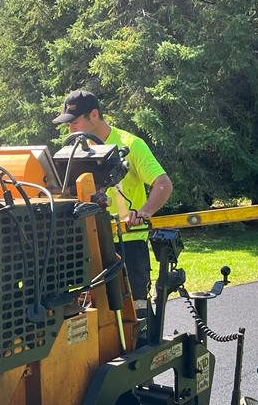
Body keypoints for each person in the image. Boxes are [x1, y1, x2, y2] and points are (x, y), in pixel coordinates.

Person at [53, 89, 173, 322]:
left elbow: (163, 183)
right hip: (92, 244)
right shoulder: (73, 152)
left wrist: (145, 211)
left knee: (135, 310)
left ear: (94, 115)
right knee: (94, 312)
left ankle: (142, 344)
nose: (70, 130)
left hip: (129, 242)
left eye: (75, 123)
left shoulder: (131, 144)